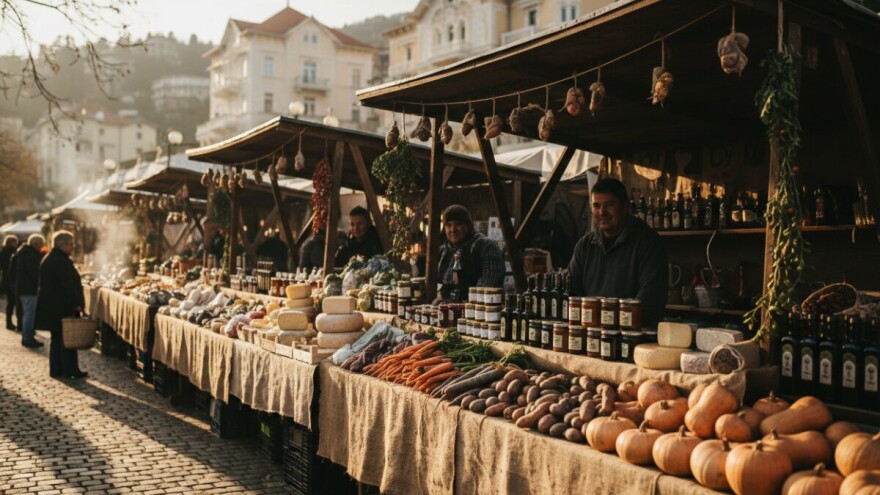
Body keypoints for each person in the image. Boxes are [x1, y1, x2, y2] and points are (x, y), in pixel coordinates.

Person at [567, 178, 668, 328]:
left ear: (625, 206)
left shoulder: (648, 243)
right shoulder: (584, 246)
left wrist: (610, 324)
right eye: (596, 206)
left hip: (635, 338)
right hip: (591, 336)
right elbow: (571, 291)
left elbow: (651, 299)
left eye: (609, 205)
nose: (602, 212)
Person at [36, 231, 87, 379]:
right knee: (66, 340)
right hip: (60, 307)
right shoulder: (59, 260)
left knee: (58, 339)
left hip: (54, 306)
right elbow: (67, 286)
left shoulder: (53, 258)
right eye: (70, 244)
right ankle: (69, 370)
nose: (72, 247)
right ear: (62, 245)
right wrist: (76, 304)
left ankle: (57, 370)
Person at [437, 204, 505, 301]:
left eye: (458, 224)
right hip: (448, 311)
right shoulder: (443, 251)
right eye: (448, 225)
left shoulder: (487, 248)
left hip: (477, 311)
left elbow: (489, 290)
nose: (453, 229)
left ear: (468, 225)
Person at [15, 234, 45, 348]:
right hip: (28, 289)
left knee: (28, 314)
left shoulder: (25, 253)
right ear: (35, 244)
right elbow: (35, 273)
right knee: (29, 315)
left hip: (24, 288)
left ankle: (28, 336)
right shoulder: (30, 255)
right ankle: (27, 338)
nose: (41, 248)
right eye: (40, 245)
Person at [1, 235, 19, 330]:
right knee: (12, 301)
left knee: (10, 301)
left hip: (5, 279)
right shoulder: (13, 252)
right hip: (12, 279)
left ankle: (9, 321)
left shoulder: (2, 251)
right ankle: (10, 322)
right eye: (15, 242)